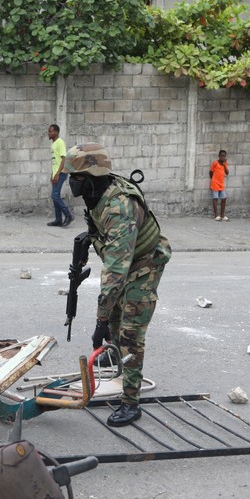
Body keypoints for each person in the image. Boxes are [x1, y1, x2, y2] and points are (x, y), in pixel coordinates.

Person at [63, 143, 171, 427]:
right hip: (125, 261)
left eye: (76, 177)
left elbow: (115, 271)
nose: (72, 182)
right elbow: (106, 241)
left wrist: (99, 320)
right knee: (113, 318)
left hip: (144, 265)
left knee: (130, 333)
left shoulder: (119, 207)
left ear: (92, 176)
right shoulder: (97, 194)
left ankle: (131, 402)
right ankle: (115, 355)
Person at [47, 124, 74, 227]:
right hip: (56, 173)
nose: (49, 133)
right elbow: (55, 161)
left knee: (54, 195)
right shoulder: (53, 144)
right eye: (49, 131)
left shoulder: (60, 142)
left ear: (56, 132)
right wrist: (52, 174)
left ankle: (69, 215)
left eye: (51, 131)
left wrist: (57, 174)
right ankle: (58, 219)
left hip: (61, 173)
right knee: (55, 196)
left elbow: (64, 159)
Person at [209, 149, 229, 221]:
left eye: (224, 156)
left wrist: (224, 165)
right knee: (215, 198)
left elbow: (227, 173)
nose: (222, 157)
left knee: (224, 198)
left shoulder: (225, 164)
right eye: (221, 156)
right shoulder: (215, 163)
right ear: (219, 156)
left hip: (221, 184)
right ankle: (216, 215)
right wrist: (213, 180)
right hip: (215, 183)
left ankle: (222, 215)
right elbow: (211, 172)